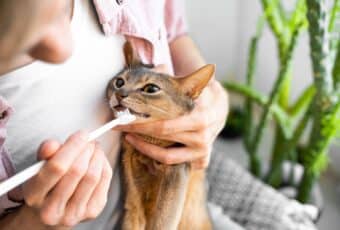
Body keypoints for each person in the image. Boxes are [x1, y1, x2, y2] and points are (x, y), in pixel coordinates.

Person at [0, 0, 229, 229]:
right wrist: (29, 222)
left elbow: (174, 32)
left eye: (61, 10)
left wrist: (208, 98)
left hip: (194, 211)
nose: (65, 49)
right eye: (21, 43)